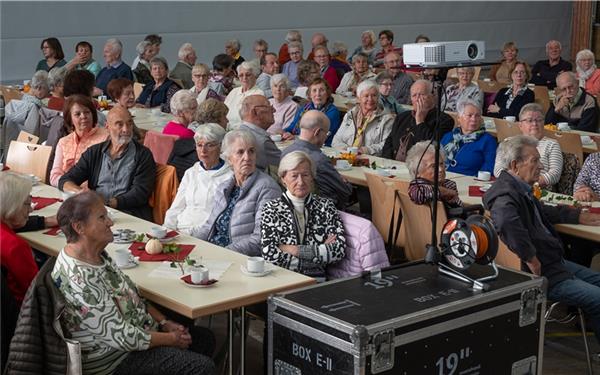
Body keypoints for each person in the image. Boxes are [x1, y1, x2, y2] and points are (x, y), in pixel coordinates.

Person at [51, 191, 215, 375]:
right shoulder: (80, 277)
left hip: (135, 336)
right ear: (79, 227)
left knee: (203, 339)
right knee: (202, 367)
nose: (110, 222)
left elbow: (132, 294)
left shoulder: (95, 254)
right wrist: (171, 338)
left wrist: (164, 321)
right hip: (115, 360)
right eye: (102, 217)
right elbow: (122, 336)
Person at [483, 134, 600, 345]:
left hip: (553, 262)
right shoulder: (505, 195)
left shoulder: (518, 189)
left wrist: (578, 216)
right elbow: (506, 220)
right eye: (534, 161)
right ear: (515, 165)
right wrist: (531, 258)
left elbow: (543, 211)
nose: (541, 165)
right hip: (543, 272)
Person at [192, 130, 281, 256]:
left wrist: (221, 253)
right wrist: (192, 244)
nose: (247, 157)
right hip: (214, 251)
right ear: (229, 159)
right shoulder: (224, 188)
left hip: (239, 258)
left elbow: (260, 238)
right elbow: (208, 226)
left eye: (251, 151)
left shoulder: (267, 188)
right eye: (240, 152)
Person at [59, 106, 156, 221]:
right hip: (96, 212)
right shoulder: (94, 152)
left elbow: (140, 194)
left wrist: (107, 202)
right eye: (119, 124)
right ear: (107, 127)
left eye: (129, 123)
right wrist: (81, 193)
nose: (126, 129)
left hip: (129, 214)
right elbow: (65, 180)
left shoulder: (143, 155)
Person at [260, 151, 346, 281]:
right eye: (294, 176)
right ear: (283, 178)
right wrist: (318, 257)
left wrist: (296, 250)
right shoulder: (271, 209)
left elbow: (338, 250)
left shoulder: (326, 206)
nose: (300, 182)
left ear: (312, 176)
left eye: (305, 175)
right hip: (282, 282)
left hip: (316, 284)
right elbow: (270, 255)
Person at [164, 123, 232, 233]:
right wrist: (167, 229)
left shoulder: (229, 176)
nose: (203, 150)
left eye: (209, 145)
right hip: (181, 229)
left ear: (221, 147)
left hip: (207, 234)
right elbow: (176, 208)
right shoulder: (191, 173)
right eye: (199, 145)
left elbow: (222, 218)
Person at [282, 110, 353, 208]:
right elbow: (346, 191)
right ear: (317, 132)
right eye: (327, 134)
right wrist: (344, 182)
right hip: (324, 212)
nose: (326, 137)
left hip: (293, 208)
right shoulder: (320, 160)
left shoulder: (285, 152)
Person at [382, 79, 454, 161]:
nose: (417, 99)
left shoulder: (445, 120)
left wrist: (420, 121)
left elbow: (430, 148)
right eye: (414, 95)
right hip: (393, 167)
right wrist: (388, 163)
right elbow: (388, 144)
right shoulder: (401, 117)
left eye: (421, 94)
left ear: (432, 96)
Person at [494, 103, 563, 189]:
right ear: (520, 125)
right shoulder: (508, 142)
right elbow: (498, 170)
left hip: (539, 190)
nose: (535, 124)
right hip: (510, 188)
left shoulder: (552, 144)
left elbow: (555, 174)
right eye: (530, 120)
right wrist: (518, 184)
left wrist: (532, 183)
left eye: (539, 120)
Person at [50, 95, 108, 187]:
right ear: (70, 119)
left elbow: (105, 177)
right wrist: (70, 187)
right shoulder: (63, 142)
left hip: (93, 195)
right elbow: (54, 177)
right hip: (67, 192)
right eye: (77, 114)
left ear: (93, 114)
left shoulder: (105, 138)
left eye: (87, 112)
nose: (83, 116)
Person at [0, 172, 39, 306]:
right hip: (20, 314)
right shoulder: (16, 247)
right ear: (12, 206)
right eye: (27, 204)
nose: (31, 210)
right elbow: (35, 289)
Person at [332, 80, 395, 156]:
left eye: (374, 95)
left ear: (378, 97)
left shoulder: (387, 119)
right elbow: (336, 139)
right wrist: (347, 150)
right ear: (359, 98)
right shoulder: (350, 114)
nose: (370, 99)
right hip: (346, 156)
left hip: (370, 160)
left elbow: (385, 145)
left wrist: (364, 151)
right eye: (366, 96)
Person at [441, 99, 497, 176]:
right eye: (469, 115)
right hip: (444, 178)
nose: (473, 119)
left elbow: (488, 168)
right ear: (459, 118)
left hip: (469, 181)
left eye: (477, 116)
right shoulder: (448, 137)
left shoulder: (488, 140)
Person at [406, 141, 463, 209]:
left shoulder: (449, 184)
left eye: (441, 164)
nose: (440, 169)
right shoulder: (416, 186)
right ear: (417, 172)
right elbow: (419, 193)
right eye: (433, 166)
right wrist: (446, 192)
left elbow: (459, 209)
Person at [286, 78, 341, 146]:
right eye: (314, 90)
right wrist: (285, 132)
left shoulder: (332, 111)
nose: (318, 94)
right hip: (300, 143)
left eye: (321, 90)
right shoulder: (305, 108)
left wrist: (296, 137)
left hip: (322, 147)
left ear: (327, 94)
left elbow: (318, 136)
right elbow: (292, 126)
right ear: (309, 94)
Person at [238, 95, 281, 170]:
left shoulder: (238, 132)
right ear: (255, 112)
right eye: (269, 107)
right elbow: (288, 164)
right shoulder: (263, 142)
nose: (274, 110)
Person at [224, 61, 265, 128]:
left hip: (245, 130)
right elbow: (224, 110)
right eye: (241, 75)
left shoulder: (258, 93)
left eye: (248, 75)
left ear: (255, 76)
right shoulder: (234, 91)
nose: (244, 78)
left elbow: (254, 119)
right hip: (227, 127)